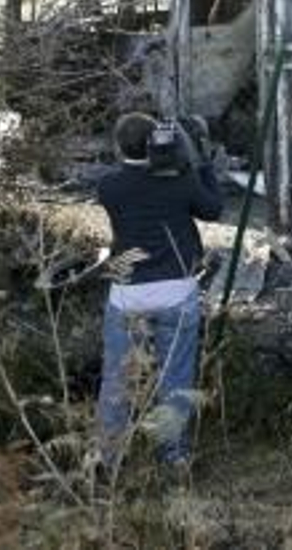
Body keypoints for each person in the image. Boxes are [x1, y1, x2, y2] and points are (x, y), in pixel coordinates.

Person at [97, 111, 224, 468]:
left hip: (127, 297)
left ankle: (109, 459)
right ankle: (174, 456)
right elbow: (213, 210)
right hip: (176, 293)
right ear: (158, 142)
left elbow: (133, 181)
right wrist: (199, 164)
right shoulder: (179, 181)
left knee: (117, 380)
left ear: (118, 147)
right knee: (175, 379)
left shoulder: (109, 187)